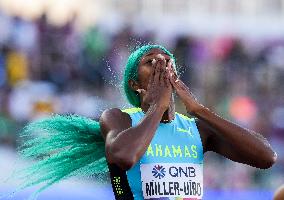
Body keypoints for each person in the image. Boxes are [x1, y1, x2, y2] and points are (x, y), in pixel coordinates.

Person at [16, 45, 277, 200]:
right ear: (135, 84)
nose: (160, 65)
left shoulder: (196, 128)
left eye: (166, 62)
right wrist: (157, 107)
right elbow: (123, 156)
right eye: (150, 62)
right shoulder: (119, 118)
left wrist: (199, 109)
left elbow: (266, 157)